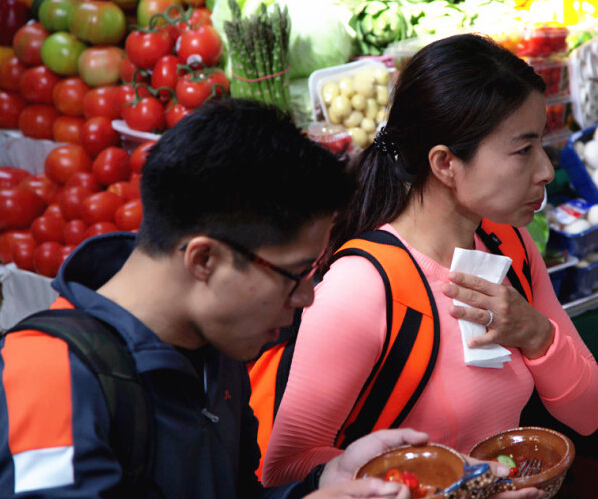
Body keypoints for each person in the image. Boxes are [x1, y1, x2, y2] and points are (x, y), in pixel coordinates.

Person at [0, 98, 432, 499]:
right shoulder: (47, 376)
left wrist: (324, 481)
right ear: (204, 259)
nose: (306, 298)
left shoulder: (217, 350)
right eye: (296, 275)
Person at [261, 33, 598, 487]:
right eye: (523, 151)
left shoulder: (510, 246)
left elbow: (591, 414)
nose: (545, 169)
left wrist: (538, 335)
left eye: (540, 144)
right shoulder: (361, 290)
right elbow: (285, 472)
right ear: (445, 164)